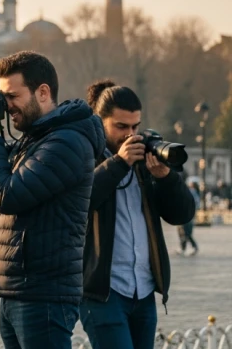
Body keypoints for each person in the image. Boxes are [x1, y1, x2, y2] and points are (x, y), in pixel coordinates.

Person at [0, 51, 104, 349]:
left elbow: (8, 195)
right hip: (18, 289)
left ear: (42, 92)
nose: (6, 105)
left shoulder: (66, 142)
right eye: (1, 97)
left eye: (12, 96)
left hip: (44, 293)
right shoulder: (38, 137)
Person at [78, 80, 195, 349]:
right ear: (100, 122)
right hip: (102, 292)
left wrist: (166, 178)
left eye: (135, 126)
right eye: (121, 126)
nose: (130, 134)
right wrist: (119, 163)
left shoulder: (145, 160)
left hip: (142, 290)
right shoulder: (85, 155)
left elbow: (183, 213)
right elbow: (80, 201)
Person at [177, 183, 201, 256]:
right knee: (185, 233)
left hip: (187, 214)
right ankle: (183, 248)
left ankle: (192, 247)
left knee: (186, 232)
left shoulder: (190, 191)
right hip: (189, 214)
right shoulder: (194, 192)